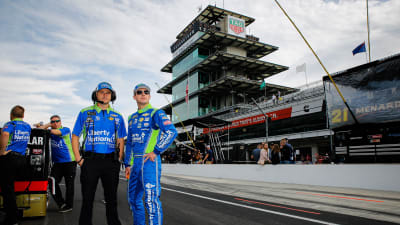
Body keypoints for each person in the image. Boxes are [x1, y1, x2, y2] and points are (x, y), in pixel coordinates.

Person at [71, 82, 127, 225]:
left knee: (112, 200)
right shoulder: (85, 112)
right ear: (96, 95)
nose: (104, 95)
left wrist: (119, 159)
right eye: (101, 92)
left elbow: (121, 138)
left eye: (108, 92)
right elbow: (75, 135)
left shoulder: (117, 116)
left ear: (112, 95)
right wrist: (78, 159)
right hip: (90, 161)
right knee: (87, 199)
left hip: (111, 162)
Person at [124, 83, 177, 225]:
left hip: (149, 162)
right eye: (139, 92)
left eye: (146, 92)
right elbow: (129, 142)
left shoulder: (156, 113)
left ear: (149, 95)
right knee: (133, 199)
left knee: (151, 200)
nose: (143, 94)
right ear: (134, 96)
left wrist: (156, 151)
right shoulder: (131, 118)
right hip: (135, 164)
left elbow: (172, 131)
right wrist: (127, 164)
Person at [36, 115, 76, 213]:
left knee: (69, 185)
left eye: (57, 121)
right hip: (57, 163)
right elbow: (39, 130)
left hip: (69, 162)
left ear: (60, 122)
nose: (55, 123)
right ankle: (61, 203)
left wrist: (46, 126)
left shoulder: (65, 130)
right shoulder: (50, 131)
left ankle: (69, 205)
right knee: (52, 182)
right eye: (53, 122)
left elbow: (55, 132)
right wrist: (45, 126)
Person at [0, 105, 31, 225]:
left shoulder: (10, 124)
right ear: (23, 116)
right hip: (22, 159)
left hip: (10, 158)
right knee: (12, 188)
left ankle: (11, 219)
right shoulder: (27, 126)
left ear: (11, 115)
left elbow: (5, 135)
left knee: (8, 189)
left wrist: (2, 151)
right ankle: (15, 213)